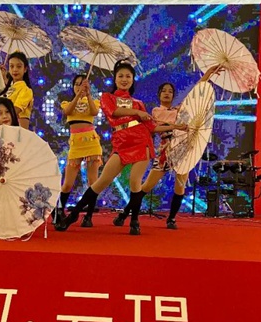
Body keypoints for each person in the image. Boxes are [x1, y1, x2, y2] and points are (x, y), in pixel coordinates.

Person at [55, 59, 185, 235]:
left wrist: (176, 127)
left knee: (135, 181)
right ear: (115, 79)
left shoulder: (138, 102)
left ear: (132, 79)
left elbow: (152, 127)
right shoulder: (107, 98)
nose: (124, 79)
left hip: (141, 142)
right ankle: (73, 215)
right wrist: (136, 113)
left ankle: (134, 221)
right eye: (121, 76)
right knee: (102, 181)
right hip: (121, 143)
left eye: (128, 76)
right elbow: (113, 112)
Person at [114, 67, 222, 229]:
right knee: (146, 186)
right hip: (165, 152)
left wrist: (208, 74)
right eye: (164, 91)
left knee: (180, 186)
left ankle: (171, 219)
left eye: (170, 91)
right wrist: (176, 126)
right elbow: (157, 127)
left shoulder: (180, 110)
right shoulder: (156, 111)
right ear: (159, 95)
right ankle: (124, 214)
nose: (167, 93)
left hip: (183, 151)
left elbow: (195, 92)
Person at [57, 74, 102, 227]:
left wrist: (87, 94)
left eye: (82, 84)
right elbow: (67, 111)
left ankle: (89, 216)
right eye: (76, 84)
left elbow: (94, 112)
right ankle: (59, 211)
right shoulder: (66, 102)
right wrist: (78, 95)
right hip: (75, 145)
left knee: (93, 182)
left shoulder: (94, 101)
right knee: (67, 184)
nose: (79, 86)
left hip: (91, 143)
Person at [0, 51, 34, 130]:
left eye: (19, 66)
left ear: (25, 69)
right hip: (6, 129)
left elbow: (14, 111)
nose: (15, 69)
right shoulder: (9, 88)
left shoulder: (26, 90)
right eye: (11, 66)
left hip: (18, 132)